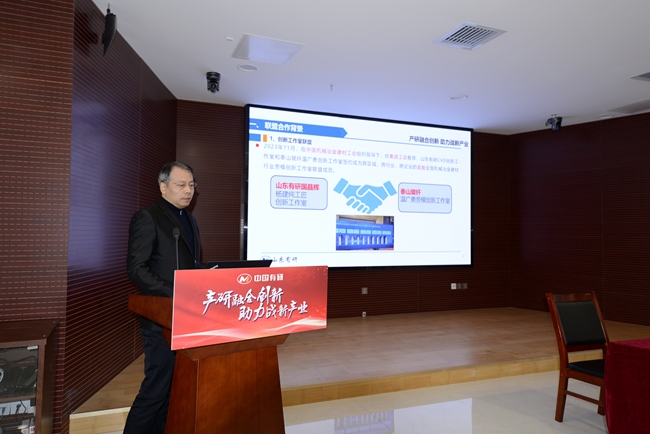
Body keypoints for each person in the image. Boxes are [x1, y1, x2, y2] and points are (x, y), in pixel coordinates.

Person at [123, 161, 204, 434]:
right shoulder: (148, 217)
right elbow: (136, 268)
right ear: (163, 186)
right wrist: (175, 291)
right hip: (161, 321)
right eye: (181, 184)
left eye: (191, 185)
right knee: (155, 391)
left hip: (186, 320)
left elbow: (190, 266)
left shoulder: (189, 219)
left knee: (172, 391)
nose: (188, 190)